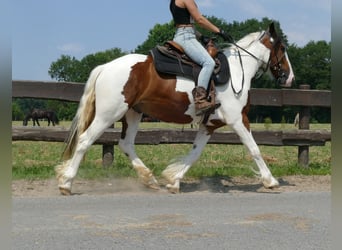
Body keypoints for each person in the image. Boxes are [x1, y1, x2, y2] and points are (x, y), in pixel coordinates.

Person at [169, 0, 232, 115]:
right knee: (208, 63)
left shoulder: (173, 2)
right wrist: (219, 31)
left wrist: (201, 37)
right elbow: (199, 19)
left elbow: (185, 23)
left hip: (183, 34)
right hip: (186, 38)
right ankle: (200, 100)